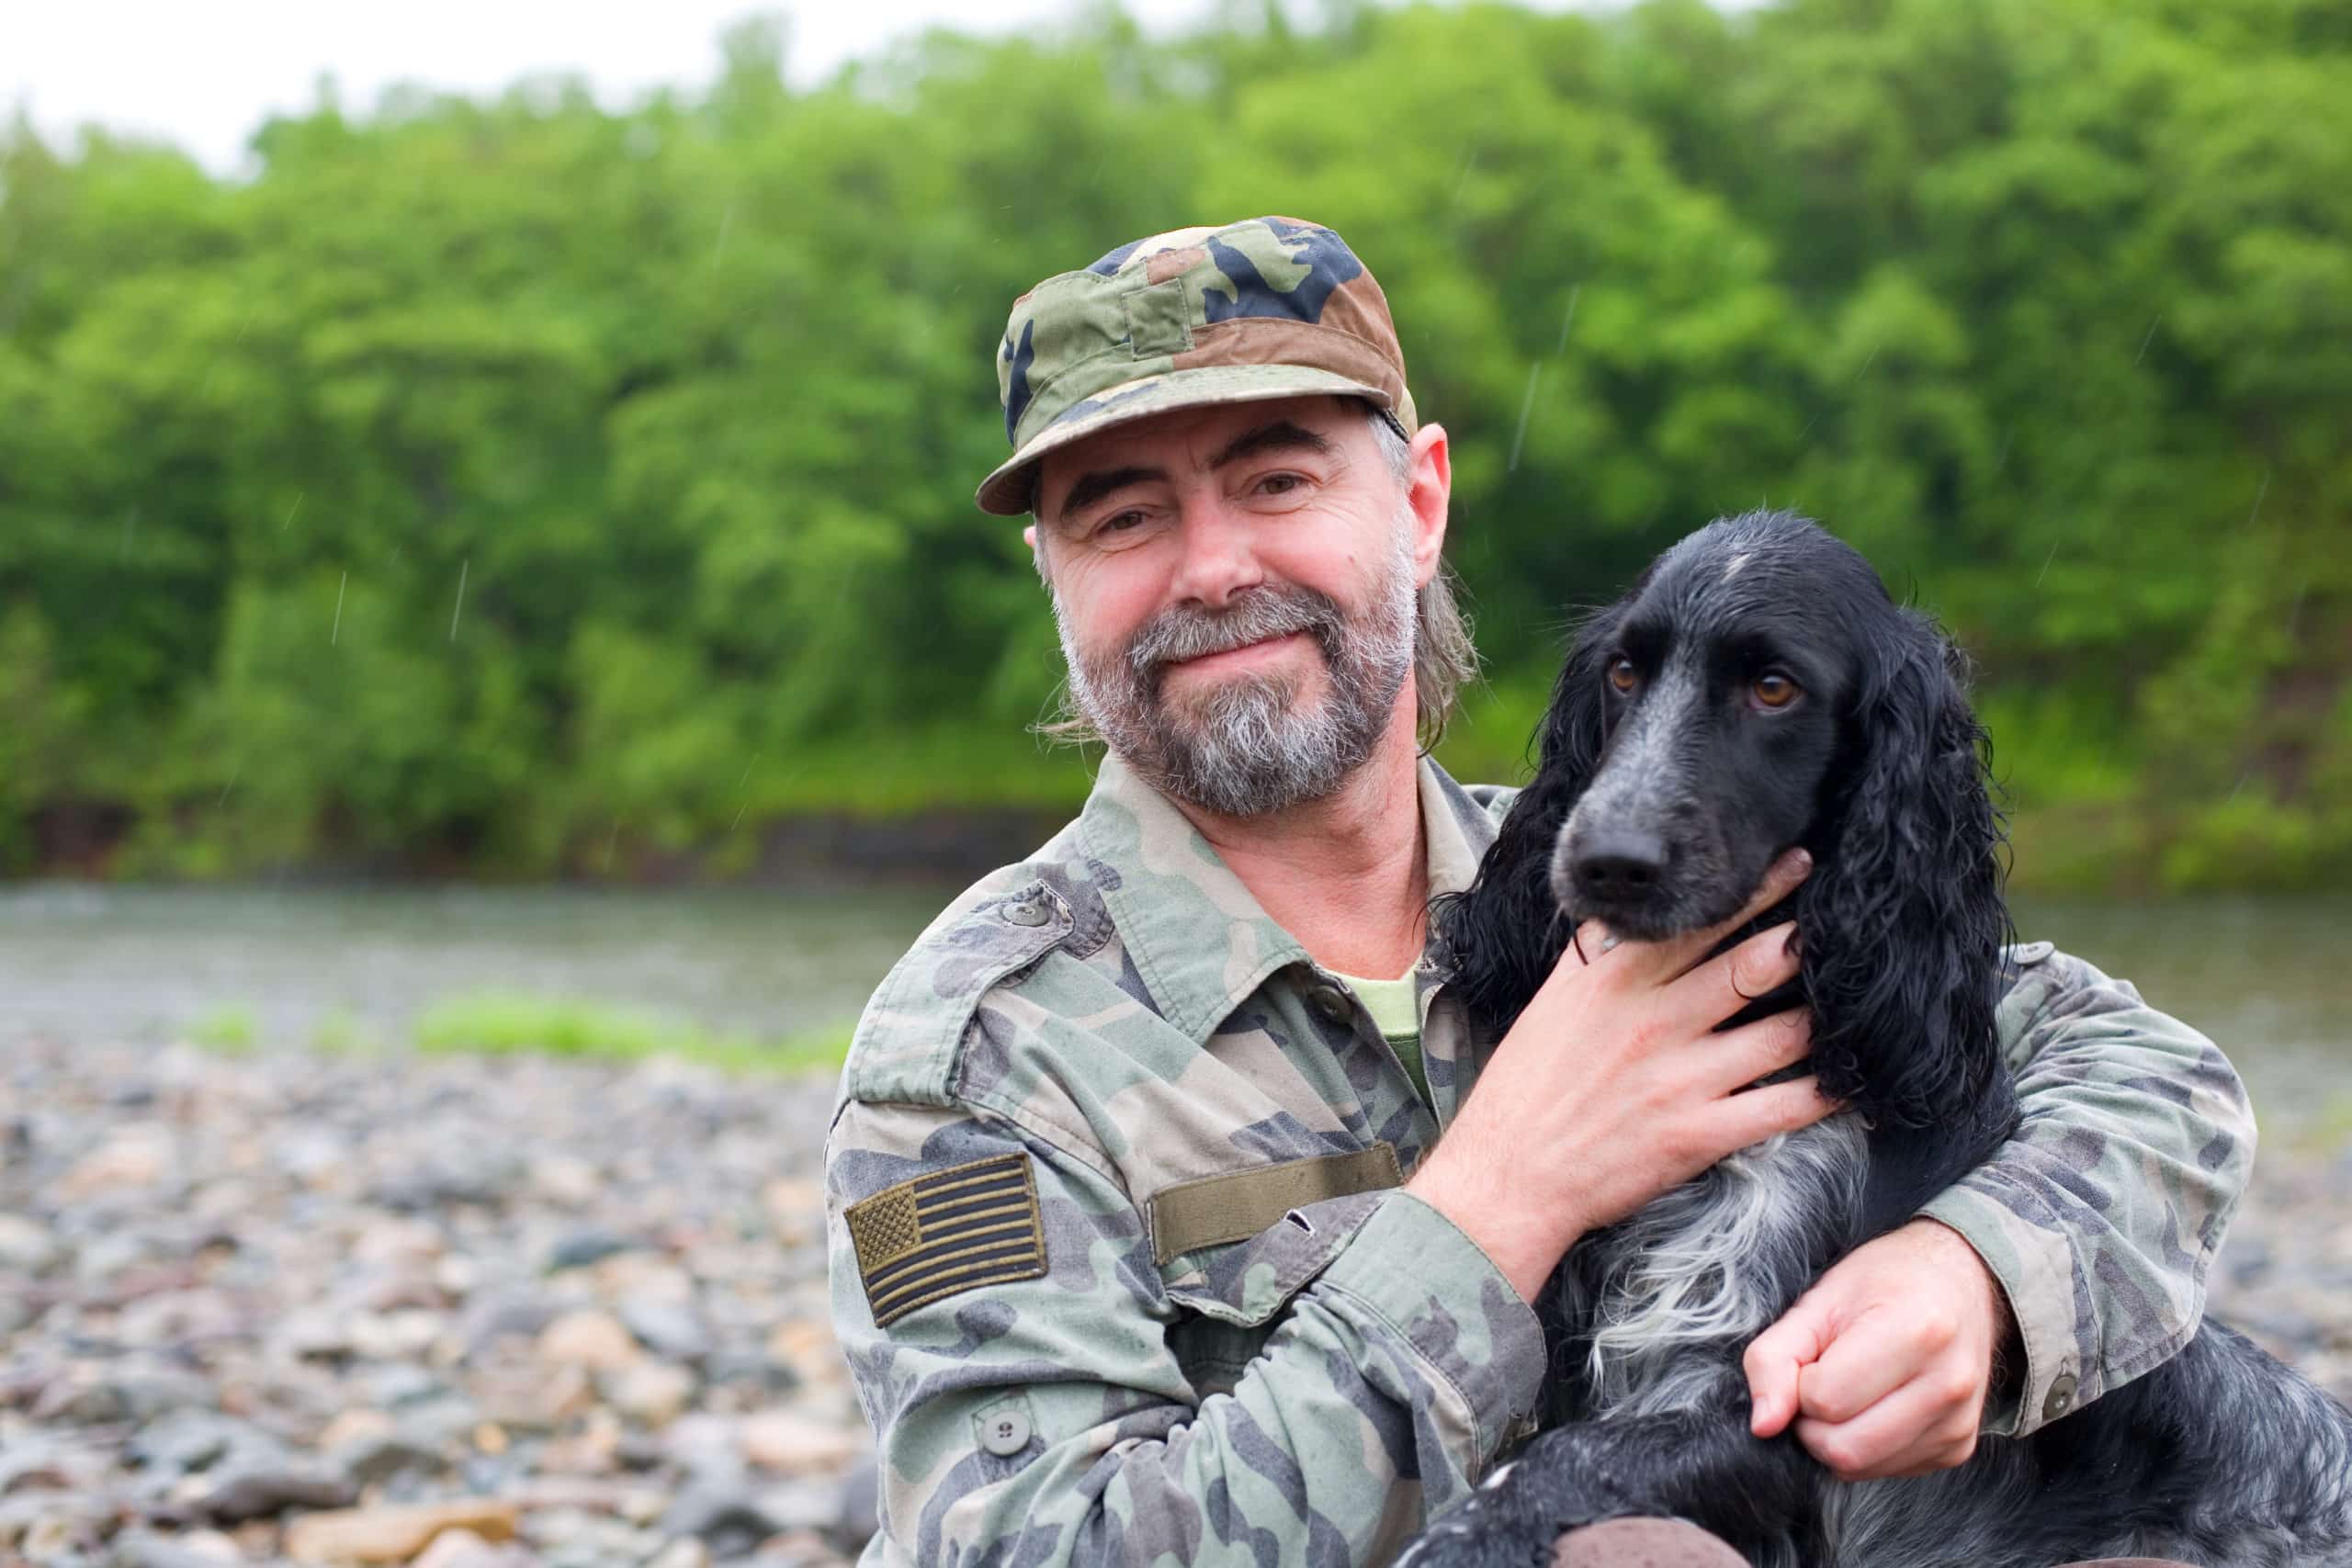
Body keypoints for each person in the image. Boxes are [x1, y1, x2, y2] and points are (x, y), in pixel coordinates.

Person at [822, 217, 2252, 1567]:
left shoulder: (1646, 877)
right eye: (1122, 518)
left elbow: (2157, 1078)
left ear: (1422, 501)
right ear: (1052, 577)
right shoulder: (974, 1058)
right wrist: (1502, 1196)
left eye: (1277, 482)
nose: (1214, 570)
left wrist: (1976, 1277)